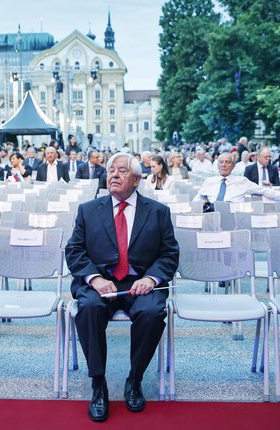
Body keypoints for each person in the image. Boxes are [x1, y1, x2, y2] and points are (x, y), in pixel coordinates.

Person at [65, 153, 179, 422]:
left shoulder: (158, 212)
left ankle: (135, 379)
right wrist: (94, 278)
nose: (113, 175)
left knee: (151, 314)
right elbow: (74, 250)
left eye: (122, 171)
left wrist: (151, 279)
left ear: (137, 179)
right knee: (89, 307)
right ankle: (98, 384)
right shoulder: (88, 210)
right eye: (111, 170)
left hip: (139, 283)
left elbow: (169, 254)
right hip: (100, 281)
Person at [195, 153, 280, 205]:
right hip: (212, 215)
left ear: (233, 166)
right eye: (221, 162)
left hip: (234, 215)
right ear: (217, 165)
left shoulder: (241, 181)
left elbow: (262, 190)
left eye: (227, 162)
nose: (224, 165)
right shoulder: (209, 181)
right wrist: (200, 203)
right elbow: (198, 197)